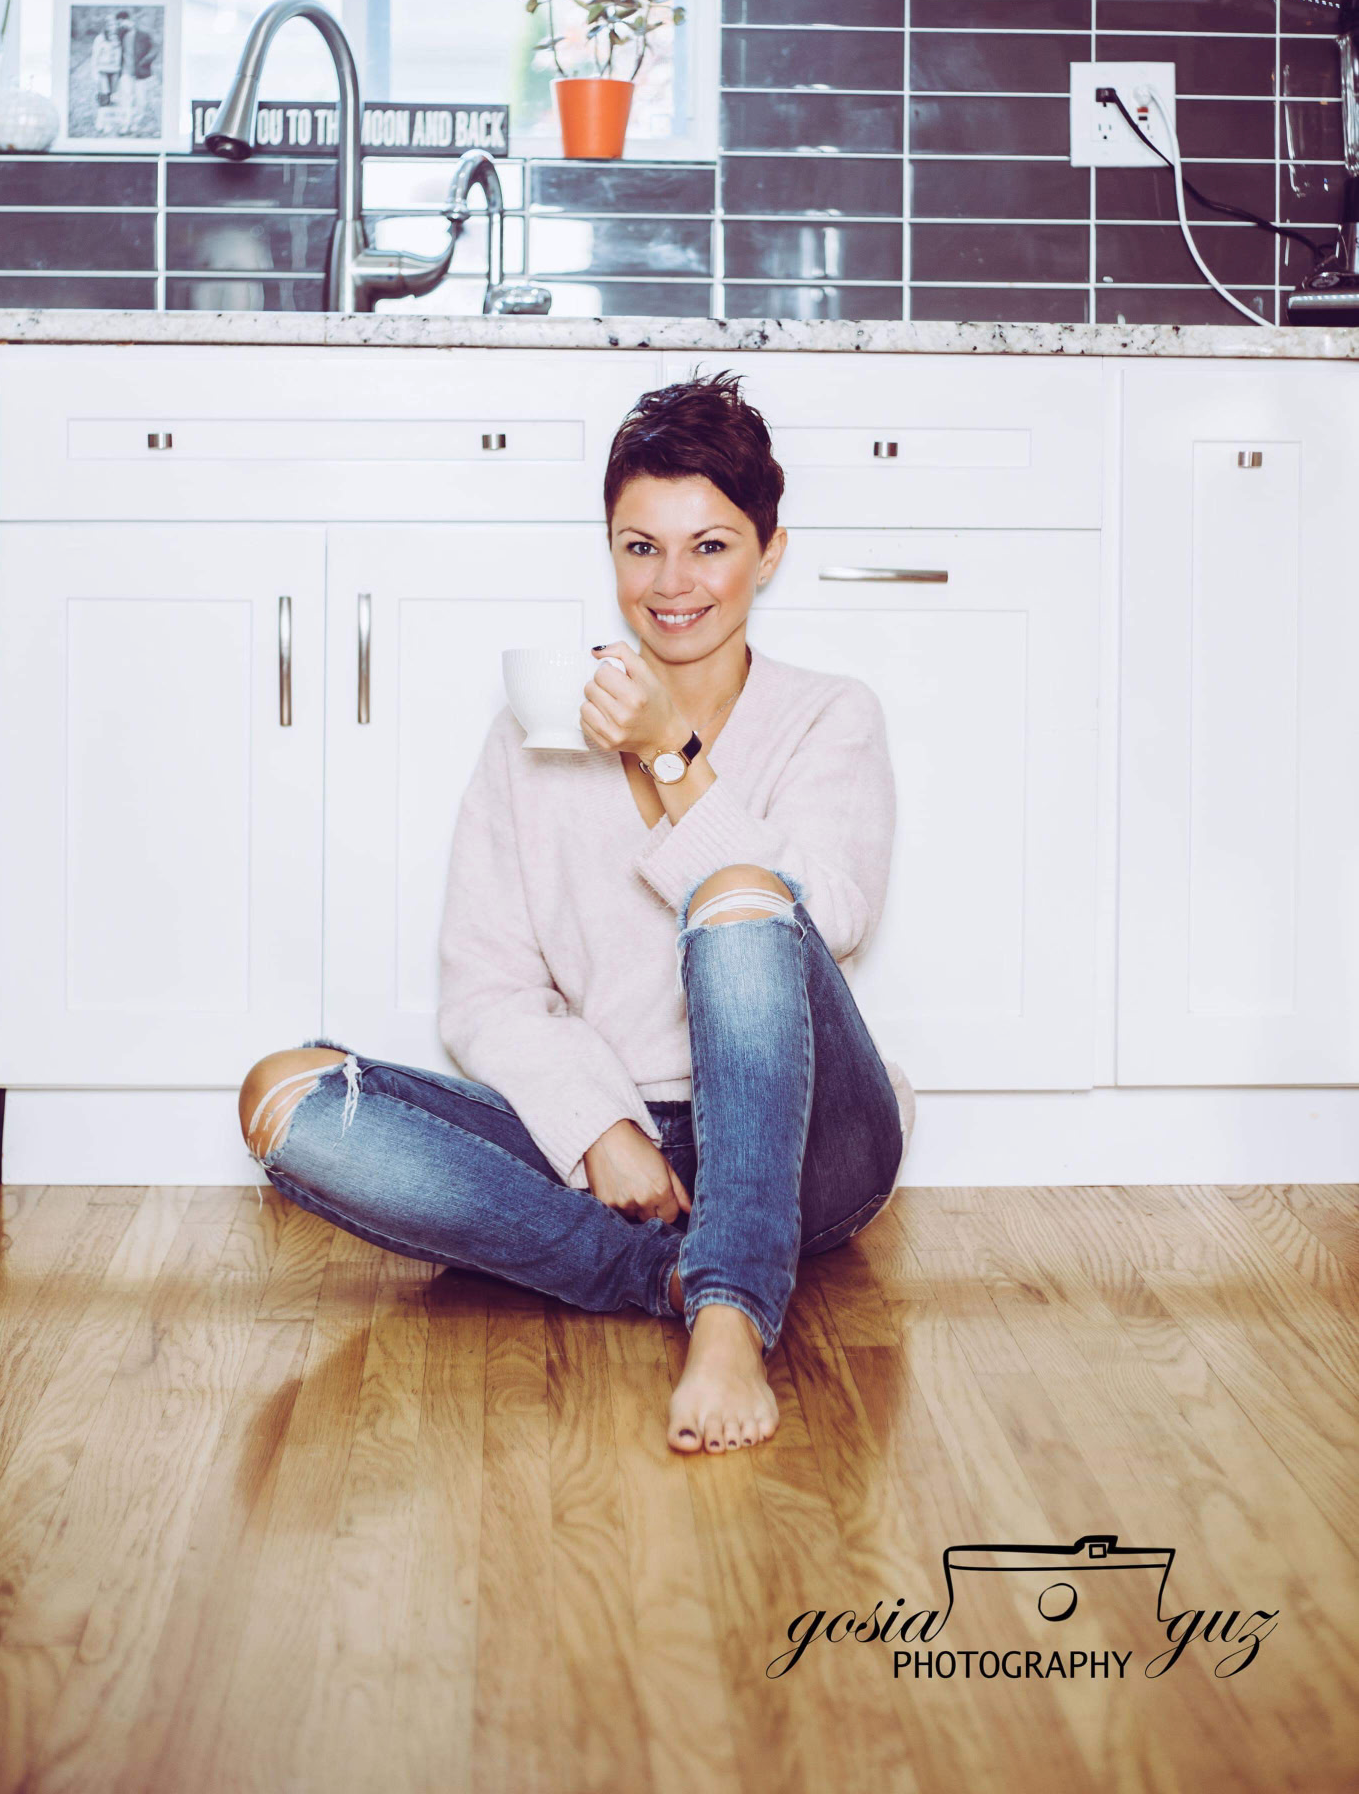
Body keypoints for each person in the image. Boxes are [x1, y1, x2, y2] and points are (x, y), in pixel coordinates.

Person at [237, 370, 915, 1456]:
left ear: (769, 554)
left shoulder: (830, 714)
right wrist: (601, 1129)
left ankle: (733, 1313)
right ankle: (666, 1273)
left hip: (805, 1138)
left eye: (711, 544)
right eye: (640, 545)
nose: (672, 582)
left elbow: (821, 918)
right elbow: (488, 985)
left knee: (745, 892)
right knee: (286, 1097)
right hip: (616, 1131)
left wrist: (665, 752)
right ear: (608, 549)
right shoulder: (531, 733)